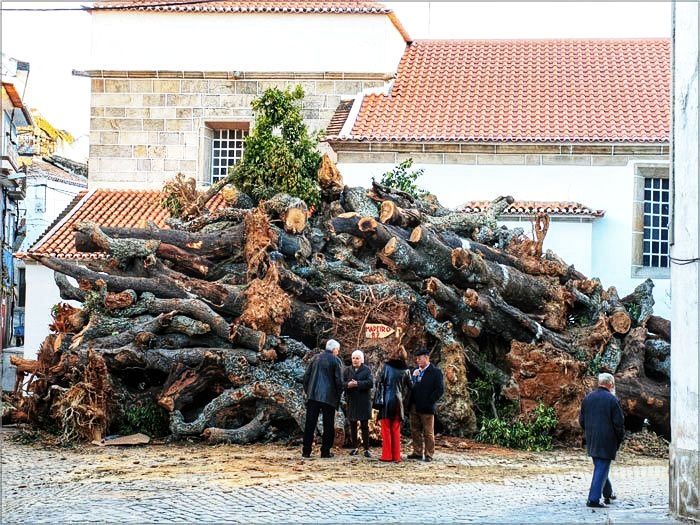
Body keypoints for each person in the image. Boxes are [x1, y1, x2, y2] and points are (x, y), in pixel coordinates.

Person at [579, 372, 625, 508]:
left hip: (592, 438)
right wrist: (619, 438)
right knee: (602, 467)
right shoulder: (612, 400)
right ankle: (593, 499)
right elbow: (619, 423)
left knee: (601, 466)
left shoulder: (588, 398)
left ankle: (608, 493)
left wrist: (589, 432)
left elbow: (582, 420)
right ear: (610, 384)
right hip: (607, 439)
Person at [302, 339, 343, 458]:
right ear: (335, 349)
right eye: (338, 350)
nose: (338, 352)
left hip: (313, 396)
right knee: (328, 425)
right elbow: (339, 382)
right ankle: (325, 451)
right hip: (329, 398)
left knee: (310, 424)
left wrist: (308, 391)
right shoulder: (336, 360)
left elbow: (306, 377)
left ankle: (306, 451)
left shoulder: (315, 358)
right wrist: (338, 396)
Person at [375, 346, 412, 463]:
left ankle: (387, 455)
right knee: (396, 429)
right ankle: (396, 456)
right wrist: (404, 399)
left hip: (387, 399)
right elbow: (411, 387)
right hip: (398, 401)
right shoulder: (406, 370)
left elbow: (379, 381)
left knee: (385, 428)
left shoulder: (386, 366)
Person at [407, 347, 445, 462]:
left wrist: (430, 400)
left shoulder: (436, 372)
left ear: (427, 358)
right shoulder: (415, 371)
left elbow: (440, 389)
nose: (417, 360)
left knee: (428, 432)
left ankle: (429, 454)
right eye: (417, 359)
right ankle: (417, 452)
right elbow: (410, 387)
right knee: (415, 430)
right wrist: (413, 377)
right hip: (414, 405)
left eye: (419, 358)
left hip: (427, 406)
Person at [343, 349, 373, 457]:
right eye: (353, 358)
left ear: (362, 359)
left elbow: (370, 383)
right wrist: (348, 385)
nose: (355, 360)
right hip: (352, 400)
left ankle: (366, 448)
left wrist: (358, 384)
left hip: (364, 401)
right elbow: (342, 383)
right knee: (353, 425)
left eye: (357, 358)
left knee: (364, 425)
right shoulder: (347, 370)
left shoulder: (367, 370)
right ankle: (355, 447)